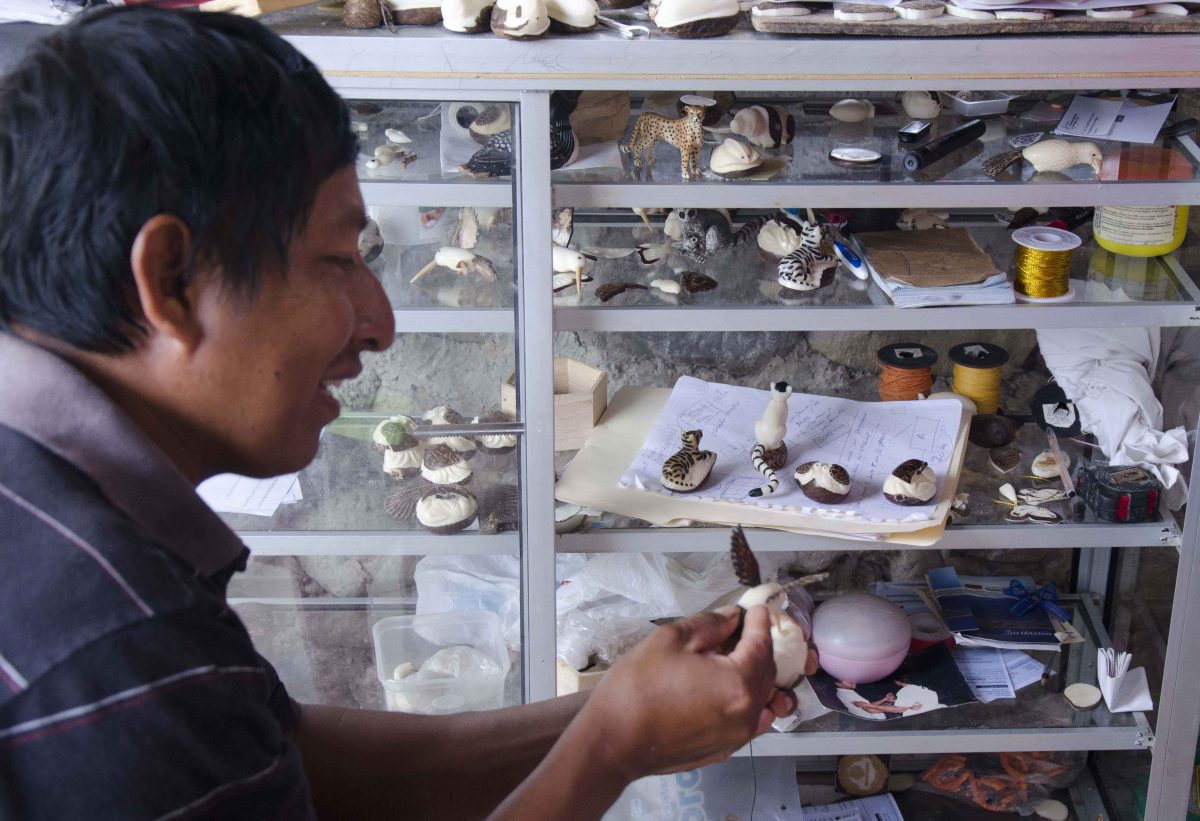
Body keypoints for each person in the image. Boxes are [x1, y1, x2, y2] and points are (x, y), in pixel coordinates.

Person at [0, 7, 795, 819]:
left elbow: (294, 756)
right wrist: (616, 746)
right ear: (170, 280)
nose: (381, 323)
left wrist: (619, 707)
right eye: (336, 261)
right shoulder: (114, 645)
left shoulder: (57, 503)